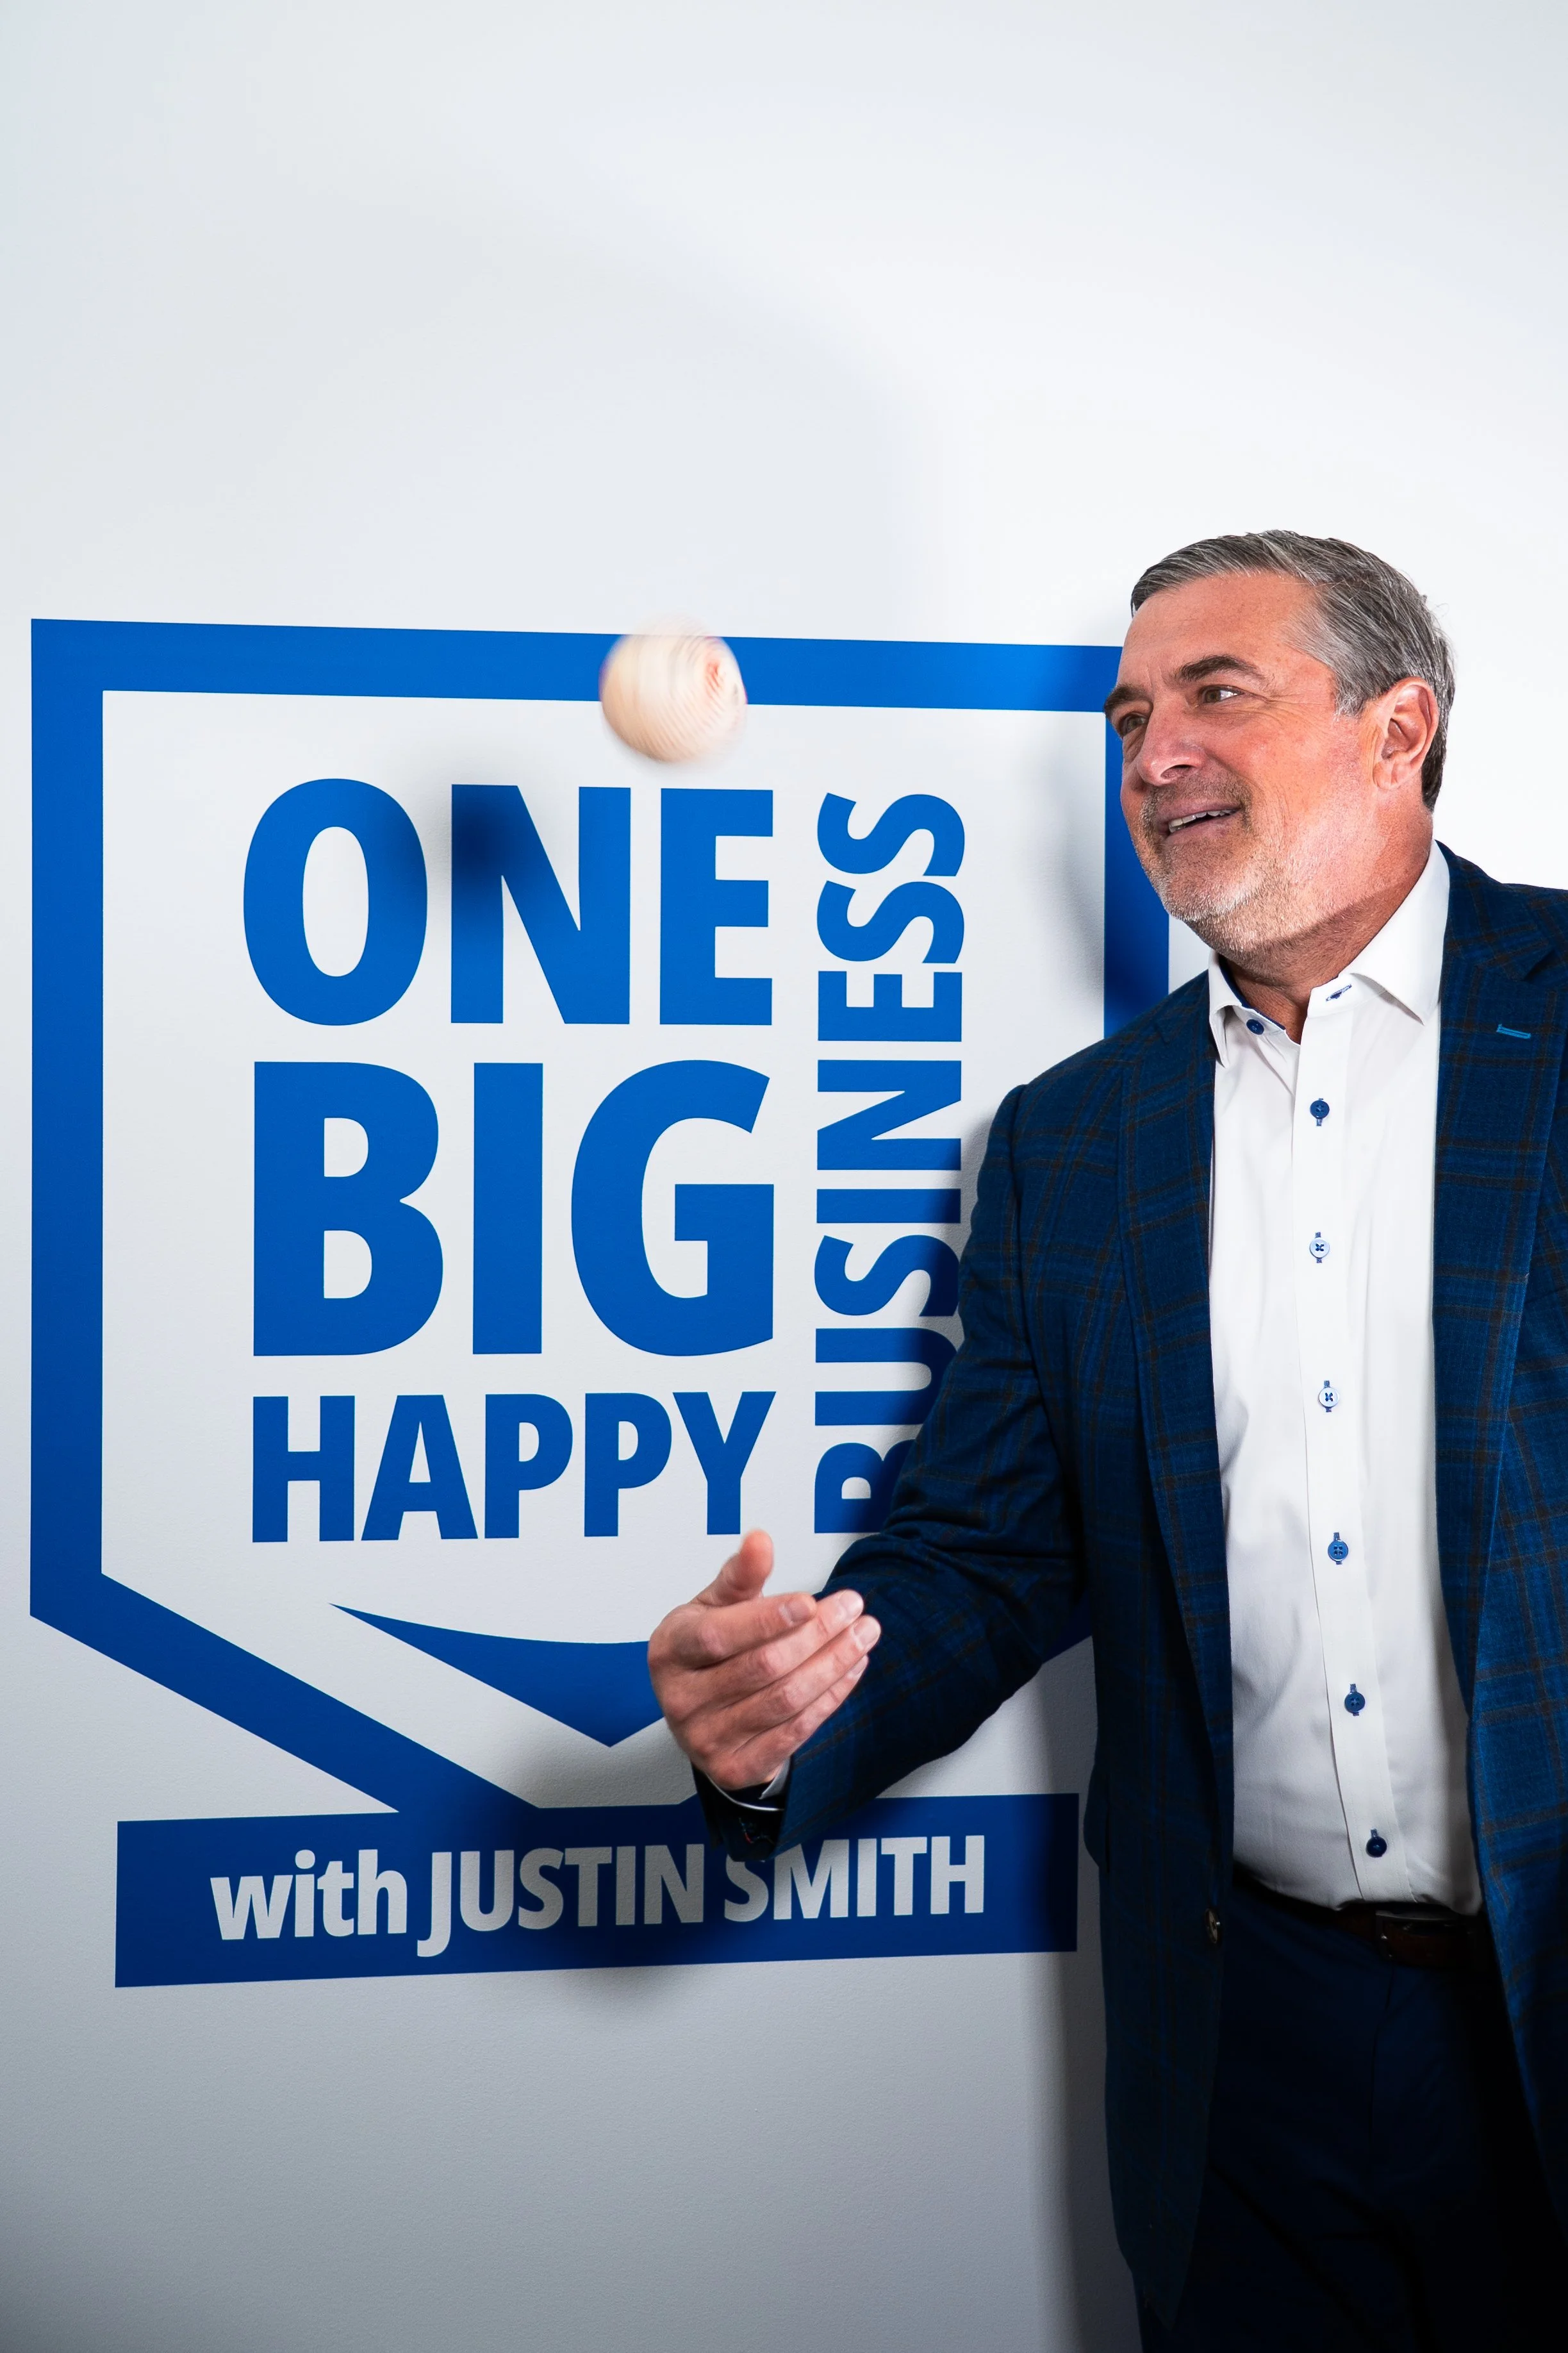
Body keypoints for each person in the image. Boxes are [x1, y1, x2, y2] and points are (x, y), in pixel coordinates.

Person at [647, 532, 1568, 2347]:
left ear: (1400, 729)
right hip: (1245, 2043)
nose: (1150, 754)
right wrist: (786, 1715)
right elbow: (986, 1553)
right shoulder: (1073, 1136)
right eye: (1129, 714)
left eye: (1215, 693)